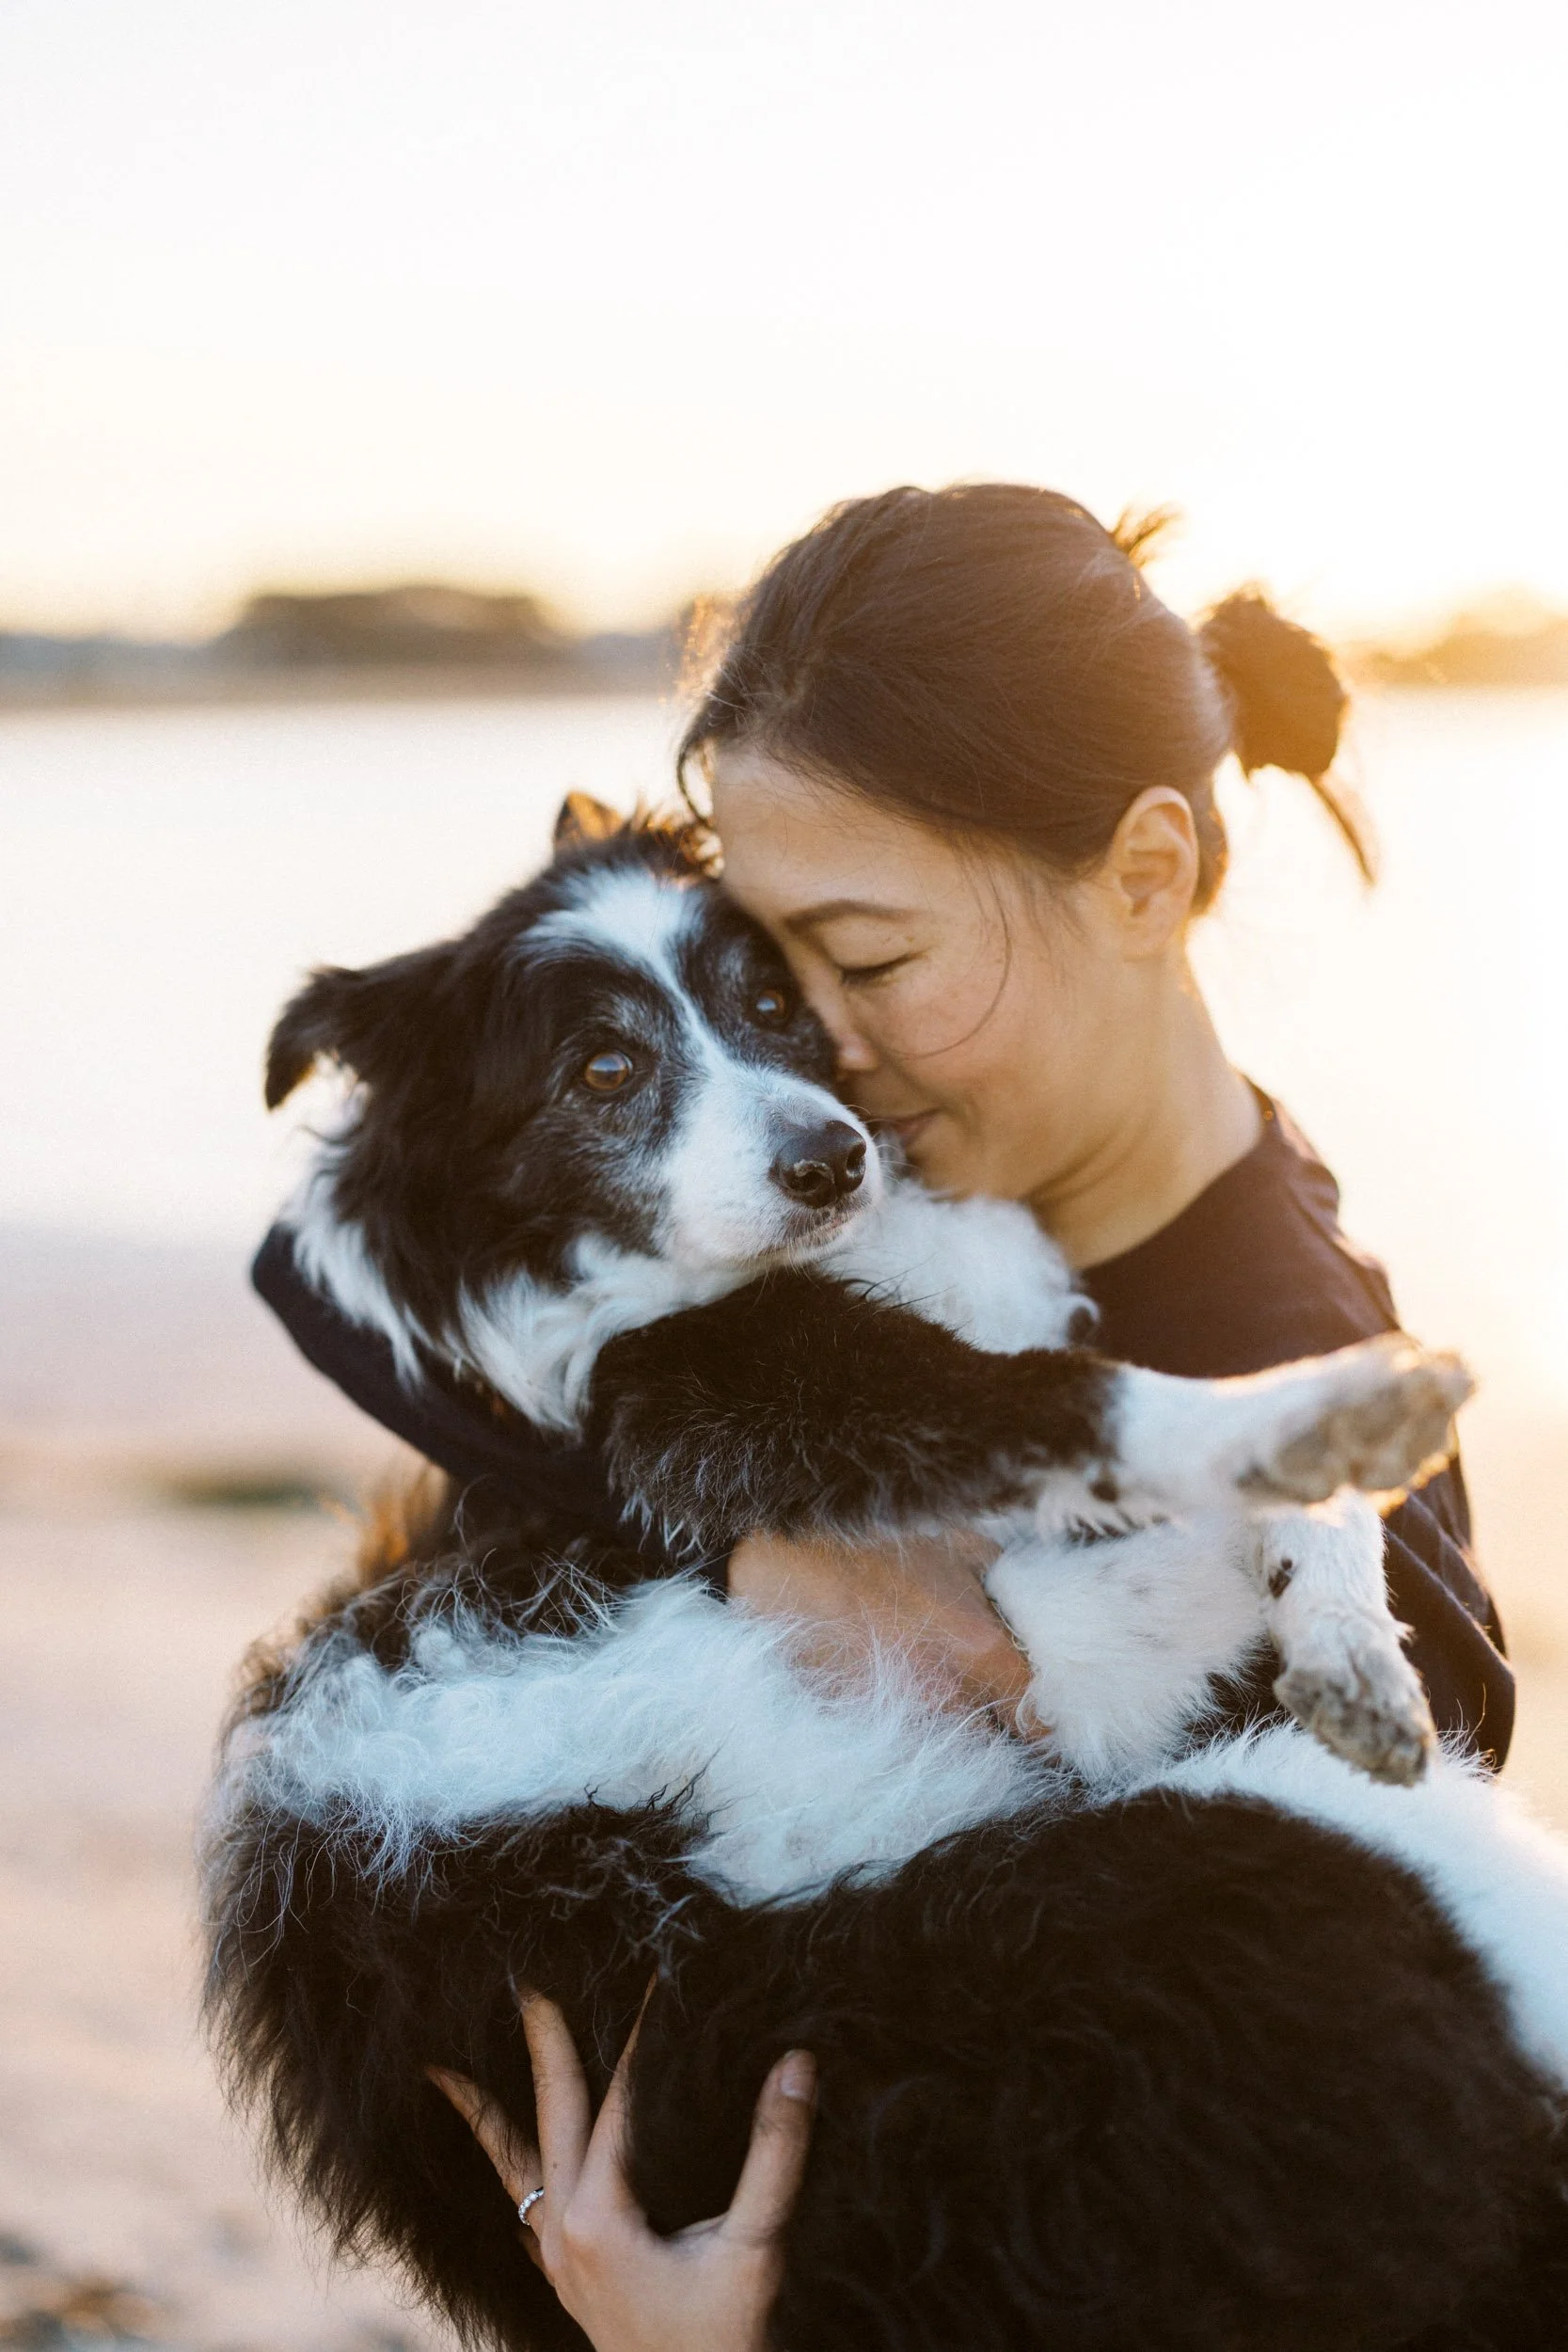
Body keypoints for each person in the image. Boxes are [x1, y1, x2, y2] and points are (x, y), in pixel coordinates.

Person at [252, 480, 1511, 2350]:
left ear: (1144, 877)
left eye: (866, 962)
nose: (802, 1061)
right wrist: (746, 1526)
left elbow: (1374, 1838)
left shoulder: (1268, 1353)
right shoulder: (891, 1173)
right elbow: (322, 1271)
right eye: (766, 966)